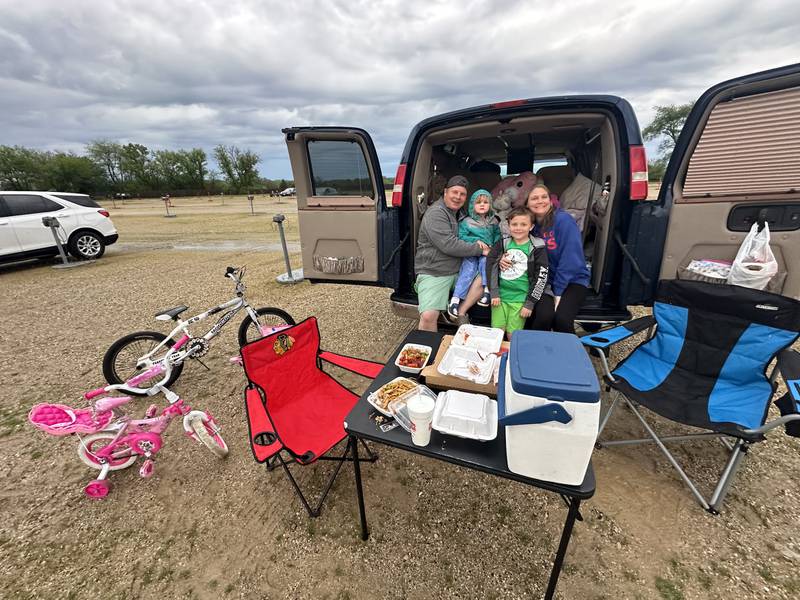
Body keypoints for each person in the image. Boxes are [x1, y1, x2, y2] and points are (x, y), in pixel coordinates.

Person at [414, 176, 490, 332]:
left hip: (459, 268)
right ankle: (428, 349)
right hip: (435, 271)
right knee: (428, 316)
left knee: (487, 273)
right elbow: (448, 245)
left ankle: (459, 312)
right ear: (445, 192)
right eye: (454, 192)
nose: (458, 197)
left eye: (462, 194)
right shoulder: (436, 213)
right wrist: (480, 249)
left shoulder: (461, 213)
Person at [524, 183, 590, 333]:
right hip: (545, 281)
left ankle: (568, 354)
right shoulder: (528, 226)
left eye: (544, 197)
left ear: (550, 200)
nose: (540, 201)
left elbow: (570, 260)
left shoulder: (563, 220)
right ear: (527, 203)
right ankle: (538, 351)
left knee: (562, 319)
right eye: (534, 198)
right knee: (543, 317)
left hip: (573, 280)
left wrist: (558, 292)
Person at [487, 207, 550, 339]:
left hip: (520, 300)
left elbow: (541, 276)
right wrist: (494, 292)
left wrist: (530, 303)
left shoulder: (537, 247)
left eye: (523, 224)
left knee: (513, 336)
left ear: (531, 226)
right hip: (499, 297)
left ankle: (511, 358)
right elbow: (490, 263)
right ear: (509, 226)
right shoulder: (503, 243)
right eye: (514, 224)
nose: (518, 228)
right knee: (496, 334)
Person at [447, 189, 500, 317]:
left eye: (485, 202)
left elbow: (497, 237)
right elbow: (461, 236)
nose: (482, 205)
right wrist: (475, 241)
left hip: (487, 253)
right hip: (471, 252)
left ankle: (487, 291)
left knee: (486, 265)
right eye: (478, 202)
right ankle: (455, 300)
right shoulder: (466, 222)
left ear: (490, 205)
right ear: (472, 206)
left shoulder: (493, 222)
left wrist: (495, 247)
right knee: (468, 271)